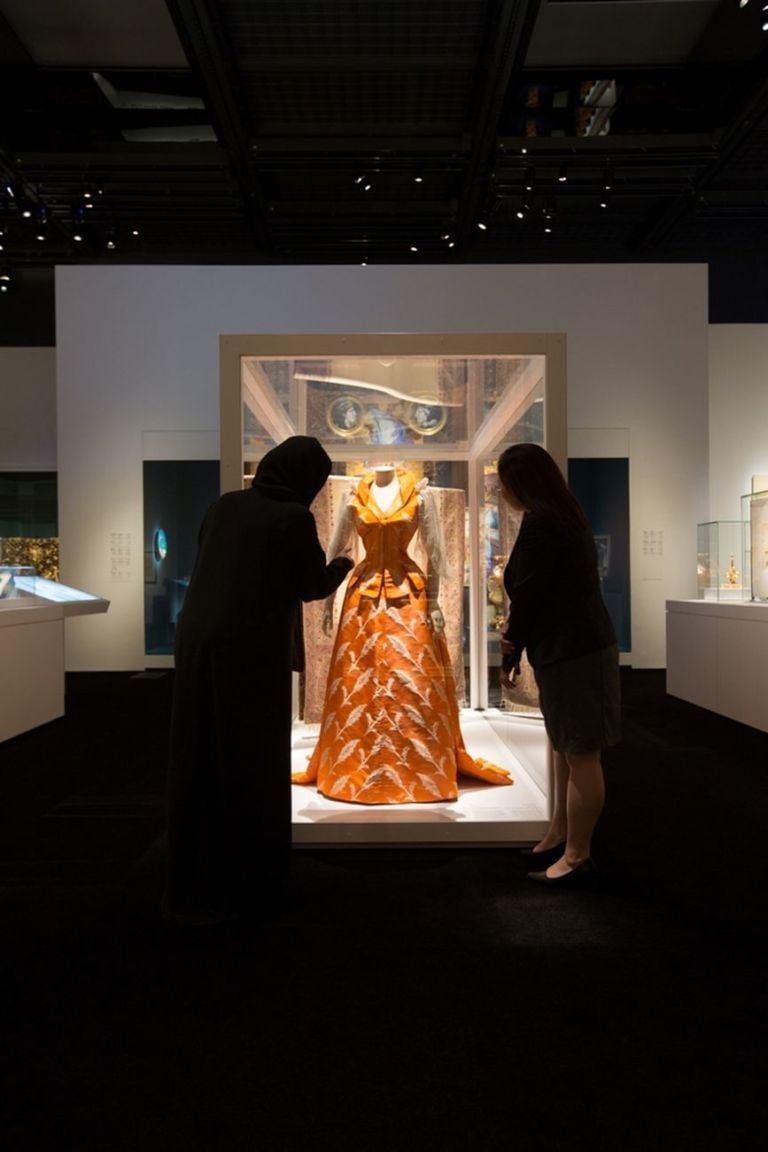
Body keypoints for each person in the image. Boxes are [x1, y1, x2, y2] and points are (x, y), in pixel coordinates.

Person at [163, 436, 354, 924]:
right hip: (247, 646)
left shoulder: (224, 505)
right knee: (251, 754)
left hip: (197, 638)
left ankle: (191, 872)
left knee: (200, 745)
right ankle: (251, 879)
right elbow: (310, 585)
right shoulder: (292, 517)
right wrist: (344, 565)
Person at [292, 464, 512, 803]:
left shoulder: (419, 495)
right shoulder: (355, 496)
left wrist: (435, 601)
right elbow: (338, 550)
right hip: (362, 596)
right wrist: (327, 603)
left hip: (408, 594)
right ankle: (354, 767)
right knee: (356, 680)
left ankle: (419, 770)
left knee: (413, 679)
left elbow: (435, 551)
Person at [497, 443, 620, 887]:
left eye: (504, 481)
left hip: (575, 650)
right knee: (566, 746)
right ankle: (561, 834)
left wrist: (509, 649)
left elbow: (529, 595)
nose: (500, 489)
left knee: (581, 751)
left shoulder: (545, 523)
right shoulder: (556, 516)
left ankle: (577, 854)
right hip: (569, 647)